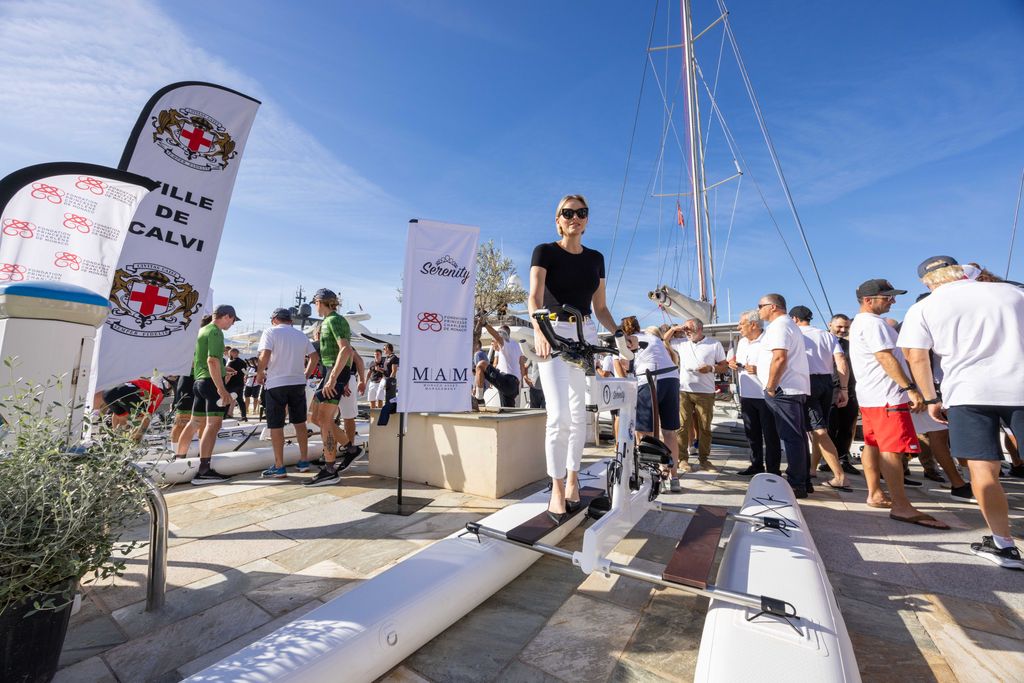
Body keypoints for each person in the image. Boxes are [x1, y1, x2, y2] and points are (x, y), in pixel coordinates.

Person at [899, 257, 1023, 567]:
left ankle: (1004, 545)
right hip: (1020, 387)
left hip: (968, 393)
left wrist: (930, 398)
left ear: (927, 282)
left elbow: (916, 357)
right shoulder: (1012, 293)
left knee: (983, 469)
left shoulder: (925, 307)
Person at [529, 194, 624, 522]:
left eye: (581, 213)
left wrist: (621, 334)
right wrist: (539, 331)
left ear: (586, 219)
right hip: (552, 332)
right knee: (557, 417)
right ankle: (555, 488)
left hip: (585, 335)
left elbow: (600, 308)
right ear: (558, 220)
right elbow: (534, 297)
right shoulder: (545, 252)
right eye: (567, 213)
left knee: (579, 416)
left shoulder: (595, 258)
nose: (575, 217)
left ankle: (572, 481)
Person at [848, 279, 948, 528]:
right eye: (887, 297)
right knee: (891, 448)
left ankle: (875, 492)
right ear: (868, 300)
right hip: (888, 397)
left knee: (872, 444)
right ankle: (901, 506)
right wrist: (910, 388)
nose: (893, 301)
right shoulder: (873, 324)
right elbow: (884, 356)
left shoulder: (860, 322)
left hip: (871, 396)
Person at [755, 293, 812, 498]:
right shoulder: (788, 324)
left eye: (760, 305)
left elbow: (779, 358)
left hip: (783, 390)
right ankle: (803, 480)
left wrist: (771, 386)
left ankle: (796, 484)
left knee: (791, 437)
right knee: (798, 436)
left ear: (772, 307)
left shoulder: (779, 326)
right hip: (792, 388)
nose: (758, 309)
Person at [789, 305, 851, 490]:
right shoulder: (827, 335)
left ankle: (839, 476)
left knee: (819, 430)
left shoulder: (795, 335)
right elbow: (841, 360)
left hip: (807, 382)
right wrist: (844, 388)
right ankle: (812, 468)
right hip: (827, 382)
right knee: (819, 427)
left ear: (794, 319)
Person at [177, 305, 239, 485]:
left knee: (194, 422)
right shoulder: (216, 332)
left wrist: (222, 368)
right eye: (233, 320)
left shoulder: (202, 330)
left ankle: (179, 460)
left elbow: (206, 359)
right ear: (227, 316)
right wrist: (222, 389)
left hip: (198, 382)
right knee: (213, 425)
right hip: (210, 383)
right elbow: (212, 360)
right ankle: (204, 470)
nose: (232, 324)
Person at [256, 307, 319, 479]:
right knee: (300, 423)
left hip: (277, 383)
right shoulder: (300, 335)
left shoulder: (270, 331)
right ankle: (304, 461)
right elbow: (314, 357)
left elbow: (265, 354)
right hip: (298, 382)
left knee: (276, 425)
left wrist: (260, 372)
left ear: (274, 319)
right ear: (290, 320)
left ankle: (279, 466)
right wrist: (306, 374)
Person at [306, 289, 359, 486]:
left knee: (326, 419)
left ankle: (330, 469)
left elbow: (346, 349)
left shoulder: (335, 320)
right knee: (315, 417)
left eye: (315, 303)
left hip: (333, 373)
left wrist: (334, 378)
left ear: (320, 302)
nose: (315, 306)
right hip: (331, 372)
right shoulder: (328, 321)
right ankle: (350, 448)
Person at [665, 318, 727, 472]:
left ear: (700, 329)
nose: (686, 332)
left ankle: (704, 460)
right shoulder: (681, 343)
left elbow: (724, 366)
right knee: (682, 426)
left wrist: (711, 368)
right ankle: (682, 459)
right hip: (684, 390)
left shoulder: (714, 344)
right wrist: (676, 328)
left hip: (705, 392)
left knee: (705, 427)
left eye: (689, 329)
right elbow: (663, 340)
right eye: (685, 330)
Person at [728, 310, 781, 476]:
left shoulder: (769, 340)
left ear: (753, 325)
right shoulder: (742, 342)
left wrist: (759, 369)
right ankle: (756, 465)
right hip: (747, 394)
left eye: (741, 323)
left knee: (771, 435)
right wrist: (733, 363)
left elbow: (778, 362)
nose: (738, 327)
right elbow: (735, 359)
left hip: (765, 395)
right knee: (752, 434)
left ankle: (773, 470)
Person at [634, 325, 682, 491]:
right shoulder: (656, 340)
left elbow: (624, 364)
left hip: (650, 378)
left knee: (643, 432)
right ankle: (673, 478)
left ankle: (647, 477)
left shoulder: (630, 339)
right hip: (671, 378)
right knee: (669, 432)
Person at [825, 314, 861, 474]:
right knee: (830, 427)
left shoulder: (851, 345)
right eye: (839, 326)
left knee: (847, 427)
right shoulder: (823, 343)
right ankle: (829, 460)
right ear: (830, 325)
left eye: (846, 327)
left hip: (851, 389)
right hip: (830, 389)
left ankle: (843, 458)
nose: (843, 330)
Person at [98, 377, 165, 442]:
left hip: (107, 393)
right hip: (125, 392)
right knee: (145, 418)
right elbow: (147, 416)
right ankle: (134, 442)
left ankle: (116, 437)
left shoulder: (140, 382)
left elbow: (116, 415)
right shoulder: (159, 394)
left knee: (121, 417)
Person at [224, 347, 248, 421]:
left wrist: (225, 382)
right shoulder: (243, 362)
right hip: (240, 384)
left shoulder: (232, 362)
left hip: (232, 384)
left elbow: (229, 374)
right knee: (240, 400)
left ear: (233, 353)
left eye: (229, 353)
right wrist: (244, 378)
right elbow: (246, 373)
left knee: (228, 399)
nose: (228, 354)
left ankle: (224, 416)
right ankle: (244, 416)